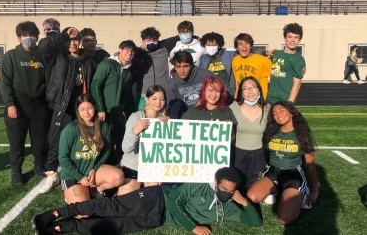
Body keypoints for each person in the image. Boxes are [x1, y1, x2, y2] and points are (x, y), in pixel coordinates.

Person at [32, 167, 262, 235]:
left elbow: (255, 223)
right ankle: (55, 213)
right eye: (222, 188)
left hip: (157, 219)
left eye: (229, 191)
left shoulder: (230, 205)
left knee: (115, 226)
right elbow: (175, 204)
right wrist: (194, 227)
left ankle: (64, 227)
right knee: (110, 206)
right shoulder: (198, 184)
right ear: (215, 182)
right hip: (156, 199)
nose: (225, 193)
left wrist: (242, 201)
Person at [247, 101, 319, 225]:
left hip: (293, 175)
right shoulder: (271, 132)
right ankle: (275, 190)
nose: (278, 115)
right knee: (252, 196)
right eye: (274, 113)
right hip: (274, 172)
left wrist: (315, 191)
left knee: (284, 219)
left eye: (281, 110)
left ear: (291, 112)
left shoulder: (301, 134)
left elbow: (311, 166)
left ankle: (303, 191)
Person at [0, 21, 49, 186]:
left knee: (40, 140)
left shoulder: (42, 55)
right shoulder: (11, 56)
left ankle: (39, 165)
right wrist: (10, 104)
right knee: (16, 141)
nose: (29, 38)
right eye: (25, 36)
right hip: (18, 104)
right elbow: (4, 81)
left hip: (39, 104)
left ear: (37, 36)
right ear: (19, 38)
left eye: (32, 35)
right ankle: (16, 171)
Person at [37, 27, 88, 194]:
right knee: (55, 139)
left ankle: (77, 169)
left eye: (75, 40)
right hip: (63, 106)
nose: (72, 43)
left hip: (83, 107)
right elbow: (43, 45)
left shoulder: (85, 59)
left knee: (81, 139)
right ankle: (51, 172)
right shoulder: (58, 58)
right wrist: (63, 35)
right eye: (70, 40)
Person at [59, 94, 124, 205]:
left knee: (119, 177)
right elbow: (63, 158)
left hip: (92, 172)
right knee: (83, 212)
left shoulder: (104, 127)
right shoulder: (71, 129)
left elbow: (107, 150)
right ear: (77, 111)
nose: (86, 112)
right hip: (73, 175)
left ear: (95, 107)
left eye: (89, 108)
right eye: (82, 109)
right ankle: (73, 193)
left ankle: (95, 190)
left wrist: (95, 168)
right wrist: (80, 178)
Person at [91, 40, 137, 164]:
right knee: (103, 139)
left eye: (132, 51)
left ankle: (116, 162)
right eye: (127, 49)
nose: (130, 53)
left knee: (118, 137)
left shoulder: (127, 71)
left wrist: (123, 110)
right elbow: (95, 86)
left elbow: (126, 94)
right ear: (120, 50)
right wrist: (100, 109)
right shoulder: (107, 64)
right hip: (104, 111)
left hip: (117, 112)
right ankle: (101, 165)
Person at [119, 85, 167, 195]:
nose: (158, 102)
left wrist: (168, 126)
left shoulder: (163, 121)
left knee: (152, 194)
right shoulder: (136, 117)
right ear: (147, 99)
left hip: (151, 168)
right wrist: (135, 131)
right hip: (132, 166)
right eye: (154, 98)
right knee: (127, 199)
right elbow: (125, 148)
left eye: (162, 99)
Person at [230, 76, 270, 191]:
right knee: (238, 187)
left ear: (259, 89)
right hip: (238, 154)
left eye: (253, 87)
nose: (250, 91)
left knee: (254, 189)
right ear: (241, 93)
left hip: (258, 154)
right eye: (246, 88)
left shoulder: (267, 108)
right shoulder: (233, 108)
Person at [166, 51, 214, 119]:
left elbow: (224, 92)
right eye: (178, 66)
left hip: (208, 113)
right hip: (187, 117)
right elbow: (169, 106)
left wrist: (206, 101)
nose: (182, 70)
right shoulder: (172, 83)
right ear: (175, 67)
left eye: (185, 66)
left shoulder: (205, 75)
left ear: (191, 65)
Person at [130, 27, 169, 110]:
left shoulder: (164, 51)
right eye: (148, 40)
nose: (151, 42)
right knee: (142, 118)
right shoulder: (137, 53)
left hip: (162, 94)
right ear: (143, 41)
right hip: (144, 94)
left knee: (161, 119)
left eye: (154, 39)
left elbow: (177, 38)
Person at [267, 23, 306, 104]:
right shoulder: (276, 54)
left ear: (300, 40)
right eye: (289, 36)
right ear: (285, 38)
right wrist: (265, 52)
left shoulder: (298, 59)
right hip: (269, 100)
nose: (292, 40)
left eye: (296, 37)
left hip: (284, 101)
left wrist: (289, 103)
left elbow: (297, 83)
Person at [232, 33, 271, 100]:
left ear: (251, 46)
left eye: (247, 43)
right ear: (237, 47)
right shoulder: (234, 60)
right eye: (240, 44)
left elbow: (275, 78)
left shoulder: (263, 60)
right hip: (240, 98)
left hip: (257, 98)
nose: (244, 46)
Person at [199, 32, 237, 101]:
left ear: (219, 45)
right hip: (211, 94)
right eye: (208, 45)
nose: (211, 47)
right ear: (204, 45)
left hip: (227, 93)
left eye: (214, 45)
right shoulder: (203, 59)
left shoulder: (229, 55)